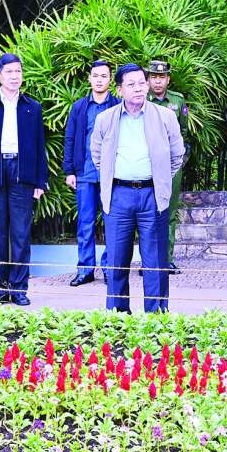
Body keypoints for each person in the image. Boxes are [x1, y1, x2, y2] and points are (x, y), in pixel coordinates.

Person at [91, 63, 184, 314]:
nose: (138, 88)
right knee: (117, 260)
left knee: (155, 260)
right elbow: (97, 155)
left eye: (142, 83)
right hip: (118, 195)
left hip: (152, 195)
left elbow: (177, 154)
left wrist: (160, 179)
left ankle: (156, 315)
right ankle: (118, 315)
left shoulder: (165, 116)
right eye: (131, 84)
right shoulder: (105, 119)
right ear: (119, 90)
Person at [0, 54, 48, 305]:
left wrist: (40, 181)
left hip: (22, 171)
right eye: (9, 72)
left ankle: (19, 289)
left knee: (21, 234)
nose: (14, 76)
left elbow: (39, 146)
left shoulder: (32, 107)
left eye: (18, 71)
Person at [62, 61, 120, 287]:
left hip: (111, 175)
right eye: (95, 75)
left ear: (110, 80)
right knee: (85, 223)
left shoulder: (118, 106)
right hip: (85, 173)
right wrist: (69, 170)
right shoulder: (79, 107)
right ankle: (85, 269)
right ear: (89, 78)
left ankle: (109, 268)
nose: (99, 80)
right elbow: (70, 138)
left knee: (111, 223)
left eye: (104, 76)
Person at [145, 60, 187, 275]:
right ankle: (147, 261)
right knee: (146, 213)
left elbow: (184, 133)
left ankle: (166, 260)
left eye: (162, 77)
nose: (158, 81)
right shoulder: (141, 100)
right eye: (153, 77)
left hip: (171, 166)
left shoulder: (178, 101)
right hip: (146, 165)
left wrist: (180, 161)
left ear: (168, 79)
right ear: (147, 80)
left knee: (169, 212)